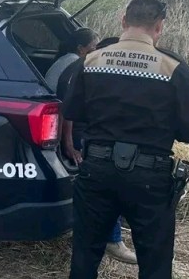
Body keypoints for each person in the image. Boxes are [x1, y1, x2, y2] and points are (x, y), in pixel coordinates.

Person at [60, 0, 189, 279]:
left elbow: (72, 112)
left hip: (96, 172)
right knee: (155, 267)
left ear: (122, 19)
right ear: (159, 27)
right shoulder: (173, 68)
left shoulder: (90, 62)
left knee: (85, 255)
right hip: (149, 178)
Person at [46, 30, 137, 265]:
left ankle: (96, 232)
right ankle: (112, 238)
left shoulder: (92, 67)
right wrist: (69, 145)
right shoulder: (81, 69)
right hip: (82, 137)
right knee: (112, 181)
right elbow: (67, 109)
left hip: (91, 135)